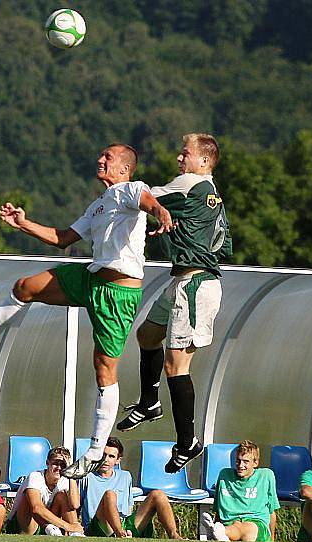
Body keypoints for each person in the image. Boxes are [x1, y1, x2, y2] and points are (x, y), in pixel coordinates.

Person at [0, 144, 174, 479]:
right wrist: (23, 224)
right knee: (26, 286)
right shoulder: (98, 205)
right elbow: (63, 238)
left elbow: (149, 203)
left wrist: (162, 214)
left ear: (124, 168)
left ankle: (95, 450)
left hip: (118, 294)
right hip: (90, 278)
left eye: (107, 158)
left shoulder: (131, 190)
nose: (100, 160)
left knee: (104, 368)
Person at [116, 133, 231, 473]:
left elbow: (143, 195)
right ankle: (150, 402)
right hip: (182, 279)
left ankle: (187, 442)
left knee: (176, 367)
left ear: (204, 161)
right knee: (147, 336)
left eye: (186, 154)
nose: (180, 159)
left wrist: (118, 185)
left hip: (195, 284)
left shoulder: (190, 183)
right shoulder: (208, 194)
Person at [79, 437, 182, 539]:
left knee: (158, 494)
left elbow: (128, 508)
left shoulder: (125, 476)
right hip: (98, 525)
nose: (106, 460)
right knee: (110, 494)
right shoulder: (87, 476)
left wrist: (129, 526)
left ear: (118, 460)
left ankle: (174, 535)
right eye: (103, 455)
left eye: (111, 456)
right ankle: (120, 534)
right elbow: (75, 506)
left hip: (123, 523)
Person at [201, 440, 279, 542]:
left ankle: (221, 532)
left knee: (245, 530)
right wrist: (217, 523)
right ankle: (219, 532)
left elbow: (271, 510)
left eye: (246, 461)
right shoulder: (224, 475)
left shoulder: (266, 476)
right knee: (236, 525)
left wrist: (272, 539)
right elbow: (218, 508)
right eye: (238, 461)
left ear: (255, 463)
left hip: (256, 524)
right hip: (230, 522)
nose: (240, 465)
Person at [4, 446, 84, 536]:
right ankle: (53, 528)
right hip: (24, 525)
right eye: (55, 463)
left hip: (48, 523)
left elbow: (75, 505)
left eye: (63, 465)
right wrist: (67, 526)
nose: (59, 468)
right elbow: (36, 508)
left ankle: (75, 533)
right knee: (29, 496)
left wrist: (71, 474)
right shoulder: (35, 476)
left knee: (62, 496)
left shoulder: (65, 481)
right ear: (47, 463)